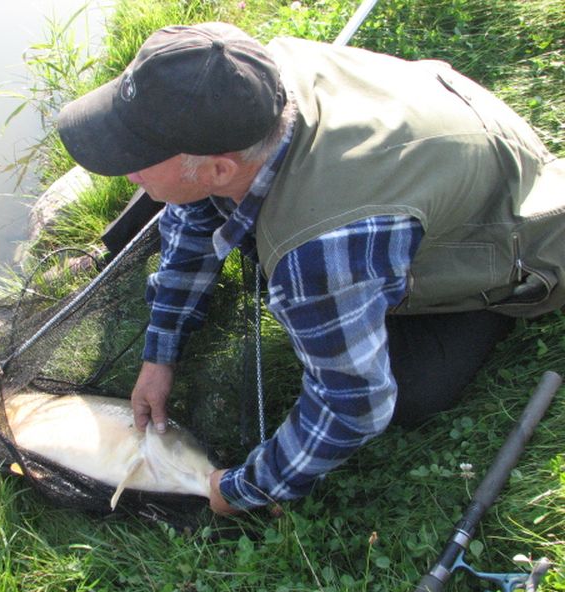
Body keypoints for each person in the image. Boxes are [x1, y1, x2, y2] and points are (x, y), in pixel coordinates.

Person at [56, 22, 565, 515]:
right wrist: (160, 352)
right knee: (196, 207)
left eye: (139, 157)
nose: (126, 171)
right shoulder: (241, 77)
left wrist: (245, 488)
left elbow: (355, 403)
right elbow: (192, 213)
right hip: (448, 134)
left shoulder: (318, 254)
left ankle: (489, 303)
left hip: (510, 234)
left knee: (411, 392)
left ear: (219, 168)